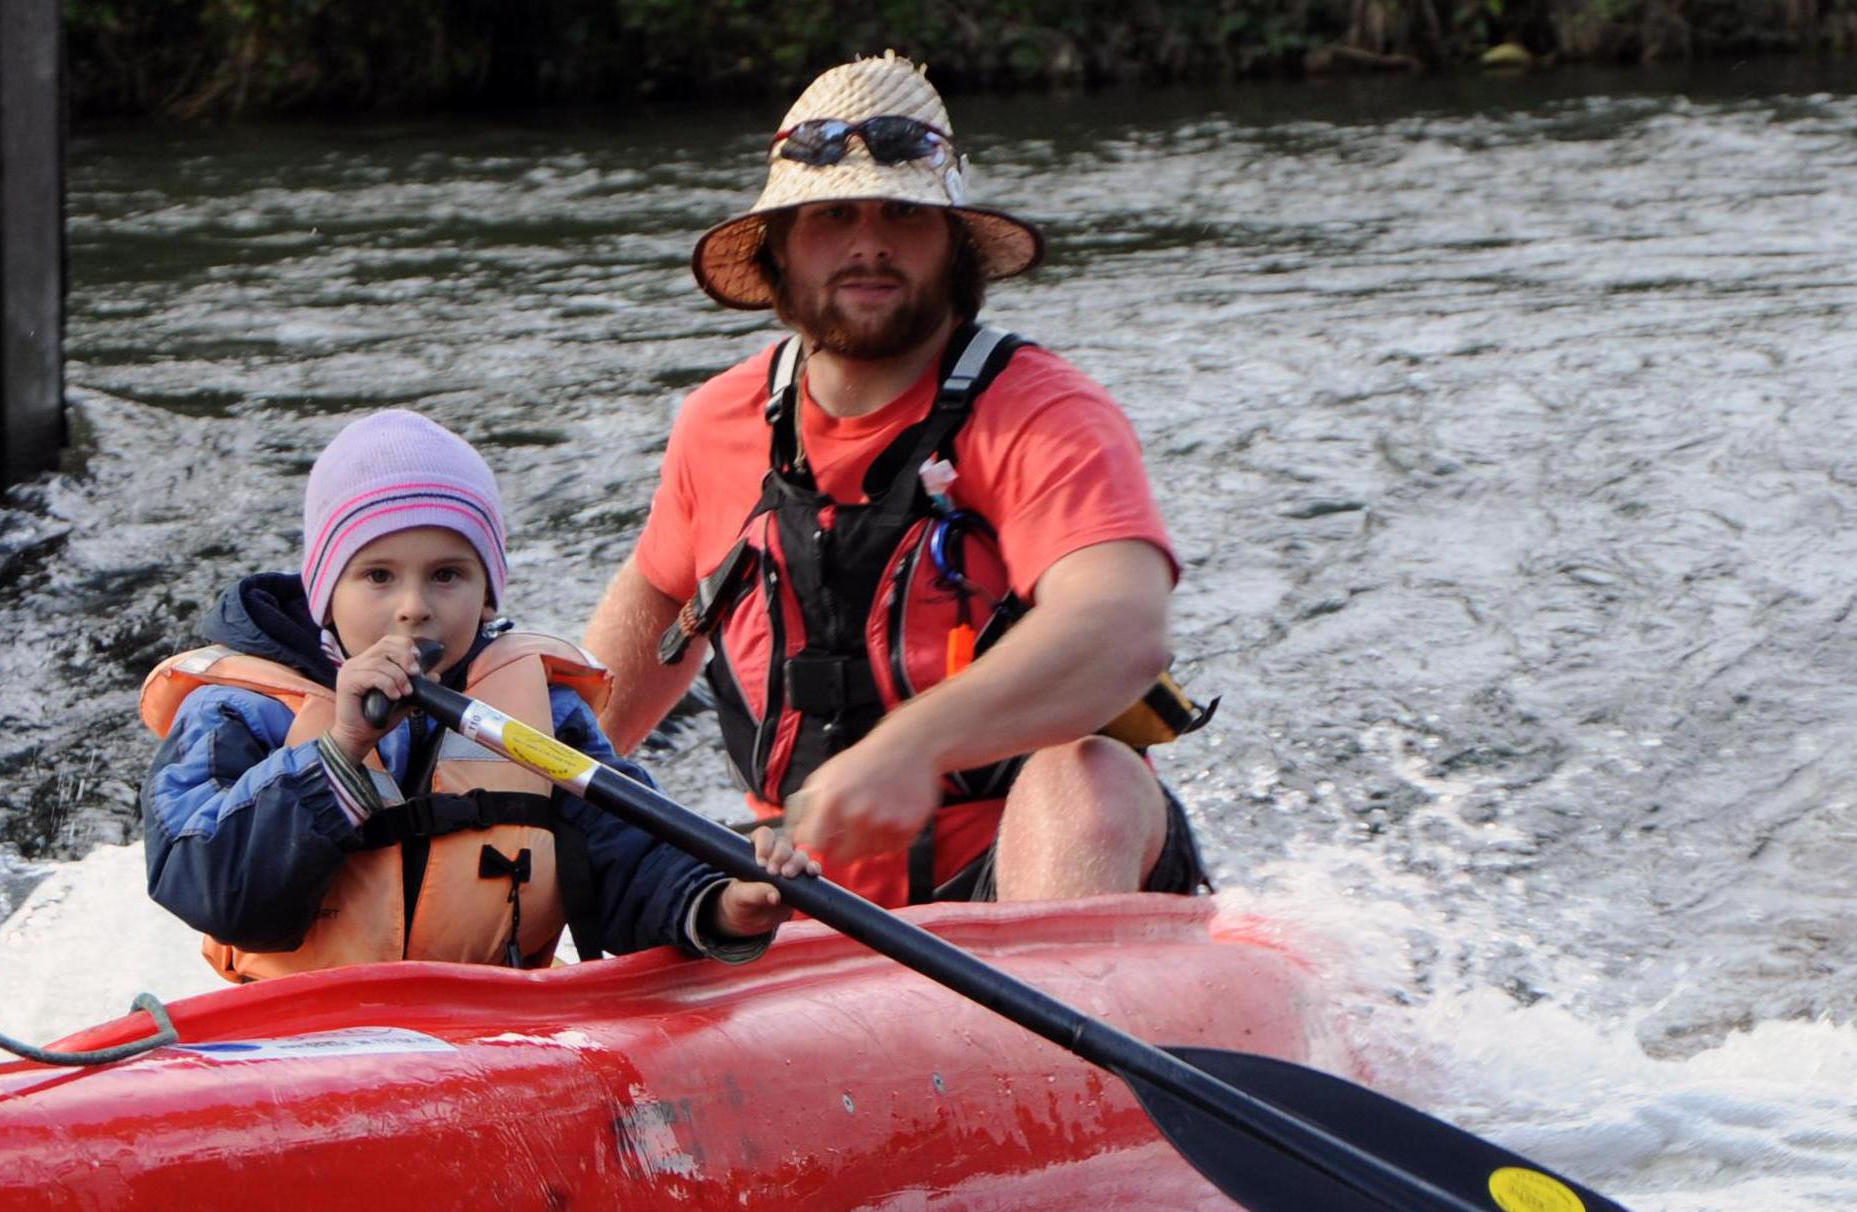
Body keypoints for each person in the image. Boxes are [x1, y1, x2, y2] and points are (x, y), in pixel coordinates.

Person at [582, 52, 1213, 911]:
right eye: (833, 214)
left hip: (1024, 884)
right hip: (797, 892)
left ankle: (1051, 994)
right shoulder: (717, 423)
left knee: (1088, 779)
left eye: (904, 215)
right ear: (778, 250)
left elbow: (1123, 629)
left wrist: (915, 744)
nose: (869, 244)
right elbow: (644, 626)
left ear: (954, 248)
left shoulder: (1045, 411)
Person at [141, 409, 806, 981]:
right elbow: (211, 888)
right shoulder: (237, 709)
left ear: (488, 594)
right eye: (377, 576)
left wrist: (720, 902)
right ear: (324, 591)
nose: (413, 607)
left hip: (489, 1022)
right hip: (303, 1034)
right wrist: (342, 750)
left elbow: (627, 856)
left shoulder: (543, 713)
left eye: (447, 575)